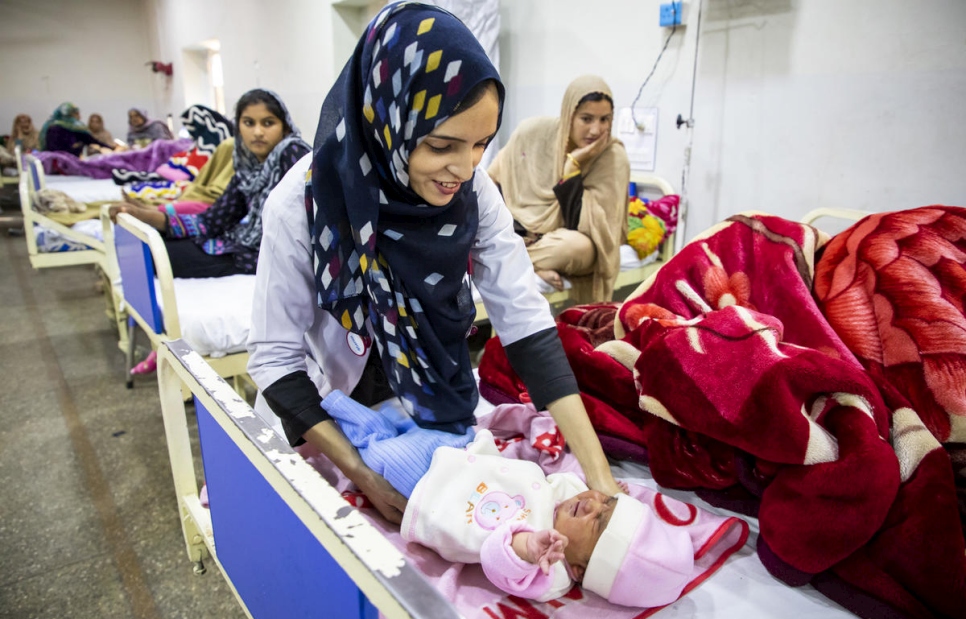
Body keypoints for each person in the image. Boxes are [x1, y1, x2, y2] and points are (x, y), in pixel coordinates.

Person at [247, 2, 622, 527]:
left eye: (481, 144)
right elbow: (275, 362)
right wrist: (366, 477)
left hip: (428, 399)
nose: (464, 169)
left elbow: (522, 316)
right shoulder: (303, 205)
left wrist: (599, 477)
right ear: (388, 120)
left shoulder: (473, 190)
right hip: (326, 416)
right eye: (441, 145)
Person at [318, 389, 695, 606]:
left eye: (597, 523)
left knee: (382, 450)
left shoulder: (552, 570)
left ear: (579, 569)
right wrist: (617, 495)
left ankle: (330, 401)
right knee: (412, 418)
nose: (593, 505)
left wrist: (528, 548)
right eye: (606, 505)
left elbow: (500, 564)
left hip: (428, 492)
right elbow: (570, 480)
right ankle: (376, 409)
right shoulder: (568, 498)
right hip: (463, 449)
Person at [111, 89, 310, 278]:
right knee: (155, 243)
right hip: (245, 243)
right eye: (249, 123)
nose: (257, 132)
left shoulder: (292, 154)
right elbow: (213, 220)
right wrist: (146, 216)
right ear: (238, 127)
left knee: (153, 256)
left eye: (268, 123)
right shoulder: (247, 167)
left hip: (270, 257)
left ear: (284, 127)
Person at [486, 75, 630, 303]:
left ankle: (516, 262)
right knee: (481, 231)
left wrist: (572, 167)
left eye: (605, 120)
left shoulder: (612, 157)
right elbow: (491, 182)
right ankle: (527, 263)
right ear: (568, 115)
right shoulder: (535, 133)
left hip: (568, 244)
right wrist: (507, 229)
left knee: (576, 247)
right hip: (520, 234)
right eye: (586, 119)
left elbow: (594, 232)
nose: (596, 130)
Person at [39, 102, 119, 156]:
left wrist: (111, 147)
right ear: (70, 114)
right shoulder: (58, 129)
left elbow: (90, 141)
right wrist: (112, 148)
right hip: (64, 163)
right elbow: (90, 141)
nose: (79, 117)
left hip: (54, 163)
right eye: (76, 114)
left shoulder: (50, 126)